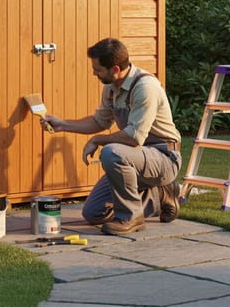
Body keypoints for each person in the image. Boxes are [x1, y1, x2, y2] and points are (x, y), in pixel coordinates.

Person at [41, 38, 182, 235]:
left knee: (111, 152)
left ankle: (131, 217)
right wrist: (62, 125)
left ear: (115, 69)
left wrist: (97, 140)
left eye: (97, 69)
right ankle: (161, 195)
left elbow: (134, 137)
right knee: (93, 213)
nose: (94, 73)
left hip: (164, 157)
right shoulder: (111, 87)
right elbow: (100, 121)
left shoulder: (145, 87)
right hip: (136, 158)